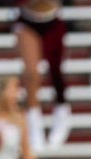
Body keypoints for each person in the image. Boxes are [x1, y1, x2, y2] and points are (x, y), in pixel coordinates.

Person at [15, 0, 71, 149]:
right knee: (31, 74)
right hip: (28, 18)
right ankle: (34, 123)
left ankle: (62, 114)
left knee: (55, 71)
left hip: (51, 17)